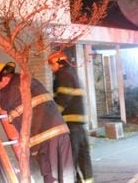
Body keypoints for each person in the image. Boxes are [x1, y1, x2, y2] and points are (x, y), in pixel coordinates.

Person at [0, 62, 74, 183]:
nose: (0, 89)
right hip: (61, 134)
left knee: (51, 176)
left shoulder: (13, 87)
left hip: (46, 140)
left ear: (3, 78)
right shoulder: (28, 82)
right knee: (66, 174)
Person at [48, 50, 94, 183]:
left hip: (70, 125)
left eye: (51, 65)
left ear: (59, 63)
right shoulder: (72, 74)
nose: (51, 68)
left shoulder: (63, 76)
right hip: (78, 124)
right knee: (83, 156)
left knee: (69, 158)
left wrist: (52, 117)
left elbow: (63, 98)